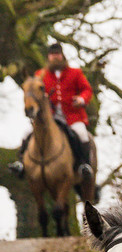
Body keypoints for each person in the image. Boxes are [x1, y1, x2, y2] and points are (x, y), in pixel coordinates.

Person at [9, 42, 94, 178]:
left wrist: (81, 99)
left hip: (72, 116)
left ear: (62, 56)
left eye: (57, 55)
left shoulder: (75, 73)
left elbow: (87, 90)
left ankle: (85, 165)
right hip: (50, 117)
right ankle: (21, 164)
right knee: (27, 133)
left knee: (82, 134)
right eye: (52, 55)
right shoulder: (41, 74)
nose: (55, 57)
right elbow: (35, 92)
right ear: (48, 57)